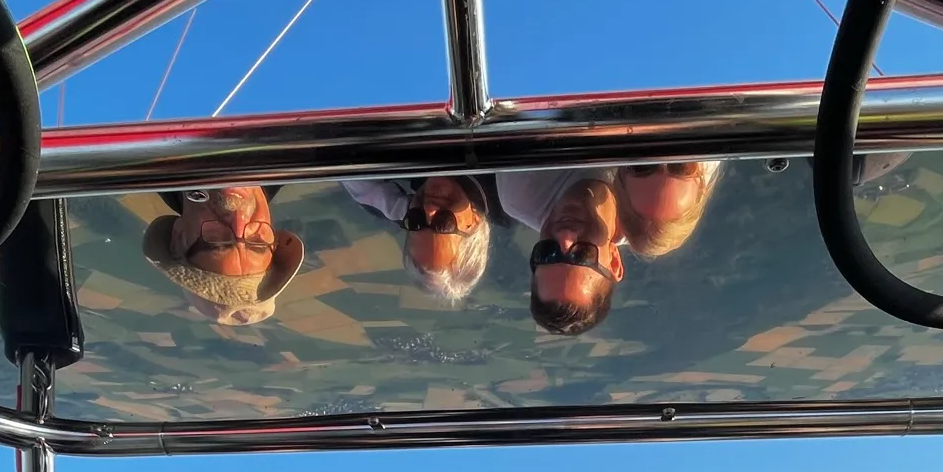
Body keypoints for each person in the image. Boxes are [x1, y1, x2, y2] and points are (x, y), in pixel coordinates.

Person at [141, 185, 304, 325]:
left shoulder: (139, 159)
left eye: (215, 239)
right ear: (273, 239)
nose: (239, 220)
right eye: (257, 241)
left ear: (178, 237)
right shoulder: (305, 155)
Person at [501, 169, 624, 336]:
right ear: (614, 262)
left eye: (548, 252)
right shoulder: (655, 208)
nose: (564, 236)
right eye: (582, 255)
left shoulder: (522, 192)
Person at [342, 175, 501, 302]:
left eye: (416, 222)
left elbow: (349, 169)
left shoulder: (415, 205)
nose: (429, 209)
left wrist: (404, 209)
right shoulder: (508, 189)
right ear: (474, 223)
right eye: (443, 222)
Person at [613, 162, 721, 259]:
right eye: (681, 166)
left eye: (641, 166)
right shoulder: (720, 145)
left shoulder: (601, 152)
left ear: (620, 176)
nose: (663, 155)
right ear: (701, 186)